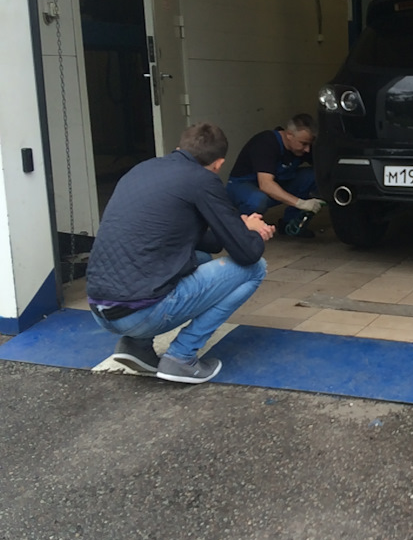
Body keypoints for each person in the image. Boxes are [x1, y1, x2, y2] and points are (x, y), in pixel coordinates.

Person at [86, 122, 275, 384]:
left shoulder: (143, 169)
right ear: (219, 164)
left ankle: (136, 346)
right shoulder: (202, 180)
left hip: (100, 308)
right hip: (139, 313)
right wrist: (253, 231)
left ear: (179, 147)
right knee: (255, 269)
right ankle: (181, 357)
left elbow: (204, 242)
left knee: (201, 260)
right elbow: (247, 253)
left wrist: (237, 227)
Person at [226, 114, 324, 238]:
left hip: (274, 185)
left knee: (312, 176)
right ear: (289, 135)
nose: (307, 150)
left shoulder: (301, 148)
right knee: (258, 200)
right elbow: (266, 184)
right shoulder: (266, 142)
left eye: (309, 144)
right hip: (243, 186)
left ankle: (291, 225)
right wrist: (300, 203)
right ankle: (240, 230)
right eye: (303, 144)